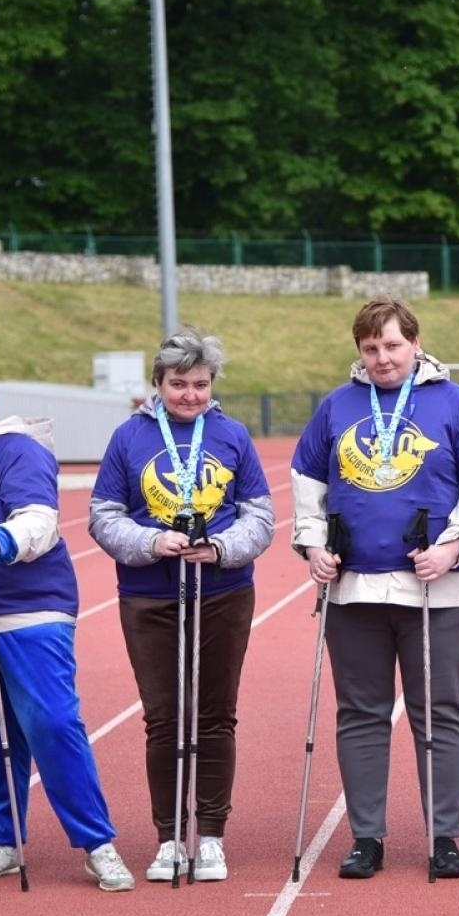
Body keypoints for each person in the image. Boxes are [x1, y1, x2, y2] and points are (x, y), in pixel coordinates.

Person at [290, 297, 459, 880]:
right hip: (354, 588)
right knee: (361, 713)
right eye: (371, 348)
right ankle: (367, 837)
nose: (382, 358)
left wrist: (453, 547)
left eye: (392, 345)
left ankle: (444, 836)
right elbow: (307, 482)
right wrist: (314, 546)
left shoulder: (454, 403)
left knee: (440, 714)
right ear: (359, 350)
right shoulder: (337, 406)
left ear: (415, 343)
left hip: (436, 590)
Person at [0, 374, 134, 892]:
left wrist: (0, 538)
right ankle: (6, 837)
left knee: (53, 724)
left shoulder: (15, 447)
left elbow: (39, 518)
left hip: (28, 610)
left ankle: (97, 843)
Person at [89, 327, 274, 883]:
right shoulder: (129, 437)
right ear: (158, 383)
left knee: (215, 715)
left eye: (200, 384)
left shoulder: (232, 434)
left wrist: (220, 548)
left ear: (212, 384)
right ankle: (169, 837)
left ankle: (211, 836)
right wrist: (152, 542)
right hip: (150, 597)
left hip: (223, 593)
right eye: (178, 384)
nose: (190, 394)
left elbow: (260, 515)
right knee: (164, 718)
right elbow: (103, 514)